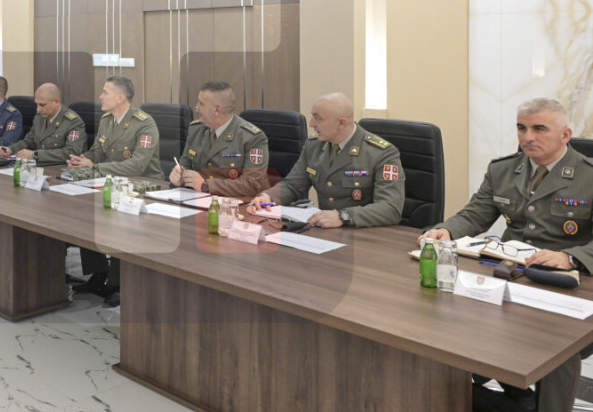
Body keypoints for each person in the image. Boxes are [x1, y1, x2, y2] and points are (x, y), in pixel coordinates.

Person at [421, 98, 592, 412]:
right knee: (448, 319)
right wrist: (446, 230)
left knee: (559, 346)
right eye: (521, 128)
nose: (528, 136)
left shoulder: (588, 175)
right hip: (510, 274)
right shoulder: (502, 170)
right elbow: (475, 214)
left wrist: (571, 257)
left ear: (565, 135)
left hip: (568, 282)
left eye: (539, 129)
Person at [68, 75, 164, 307]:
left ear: (120, 98)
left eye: (105, 92)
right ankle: (98, 272)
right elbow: (96, 152)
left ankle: (121, 284)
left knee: (123, 223)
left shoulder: (144, 123)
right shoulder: (106, 120)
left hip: (144, 188)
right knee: (85, 213)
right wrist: (81, 159)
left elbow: (137, 166)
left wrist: (96, 167)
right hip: (113, 183)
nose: (101, 96)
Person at [250, 92, 404, 228]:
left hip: (364, 234)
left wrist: (343, 216)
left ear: (342, 123)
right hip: (325, 231)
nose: (311, 124)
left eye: (318, 118)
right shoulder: (314, 146)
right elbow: (293, 185)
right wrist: (268, 197)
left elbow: (390, 208)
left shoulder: (381, 153)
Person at [169, 80, 269, 197]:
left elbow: (252, 185)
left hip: (238, 204)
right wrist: (180, 177)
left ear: (216, 109)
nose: (196, 108)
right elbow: (185, 165)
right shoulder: (196, 129)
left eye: (201, 104)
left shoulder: (252, 137)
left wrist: (206, 185)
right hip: (198, 200)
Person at [0, 83, 86, 164]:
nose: (38, 109)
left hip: (61, 168)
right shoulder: (39, 117)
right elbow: (29, 141)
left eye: (42, 105)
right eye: (37, 104)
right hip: (40, 166)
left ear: (56, 101)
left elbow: (71, 153)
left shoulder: (73, 122)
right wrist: (10, 149)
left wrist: (36, 154)